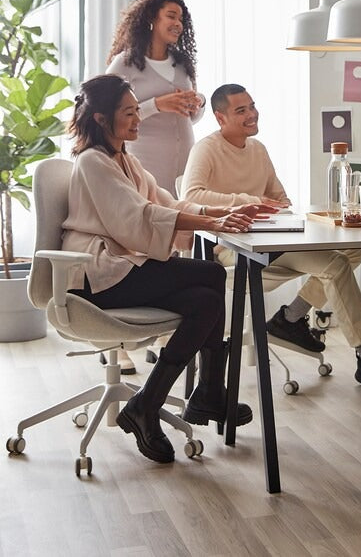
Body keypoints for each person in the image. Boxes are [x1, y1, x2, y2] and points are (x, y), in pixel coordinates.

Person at [62, 74, 274, 464]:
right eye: (128, 113)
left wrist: (222, 213)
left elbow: (166, 202)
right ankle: (206, 394)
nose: (137, 119)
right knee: (211, 275)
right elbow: (136, 217)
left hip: (123, 268)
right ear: (100, 119)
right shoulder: (94, 162)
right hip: (97, 276)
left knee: (204, 302)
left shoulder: (124, 159)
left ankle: (151, 402)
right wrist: (213, 224)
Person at [181, 83, 361, 388]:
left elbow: (278, 197)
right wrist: (250, 201)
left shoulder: (258, 150)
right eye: (241, 110)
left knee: (354, 250)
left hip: (272, 240)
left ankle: (289, 318)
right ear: (221, 118)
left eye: (252, 106)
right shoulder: (207, 148)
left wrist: (278, 204)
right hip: (234, 248)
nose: (252, 114)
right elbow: (191, 195)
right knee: (336, 265)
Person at [106, 0, 204, 374]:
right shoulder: (125, 64)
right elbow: (106, 112)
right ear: (151, 19)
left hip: (183, 160)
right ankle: (118, 346)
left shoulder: (182, 64)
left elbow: (188, 119)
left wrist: (191, 107)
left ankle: (163, 332)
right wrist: (155, 106)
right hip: (142, 161)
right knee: (134, 244)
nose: (177, 23)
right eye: (171, 15)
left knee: (176, 244)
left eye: (181, 17)